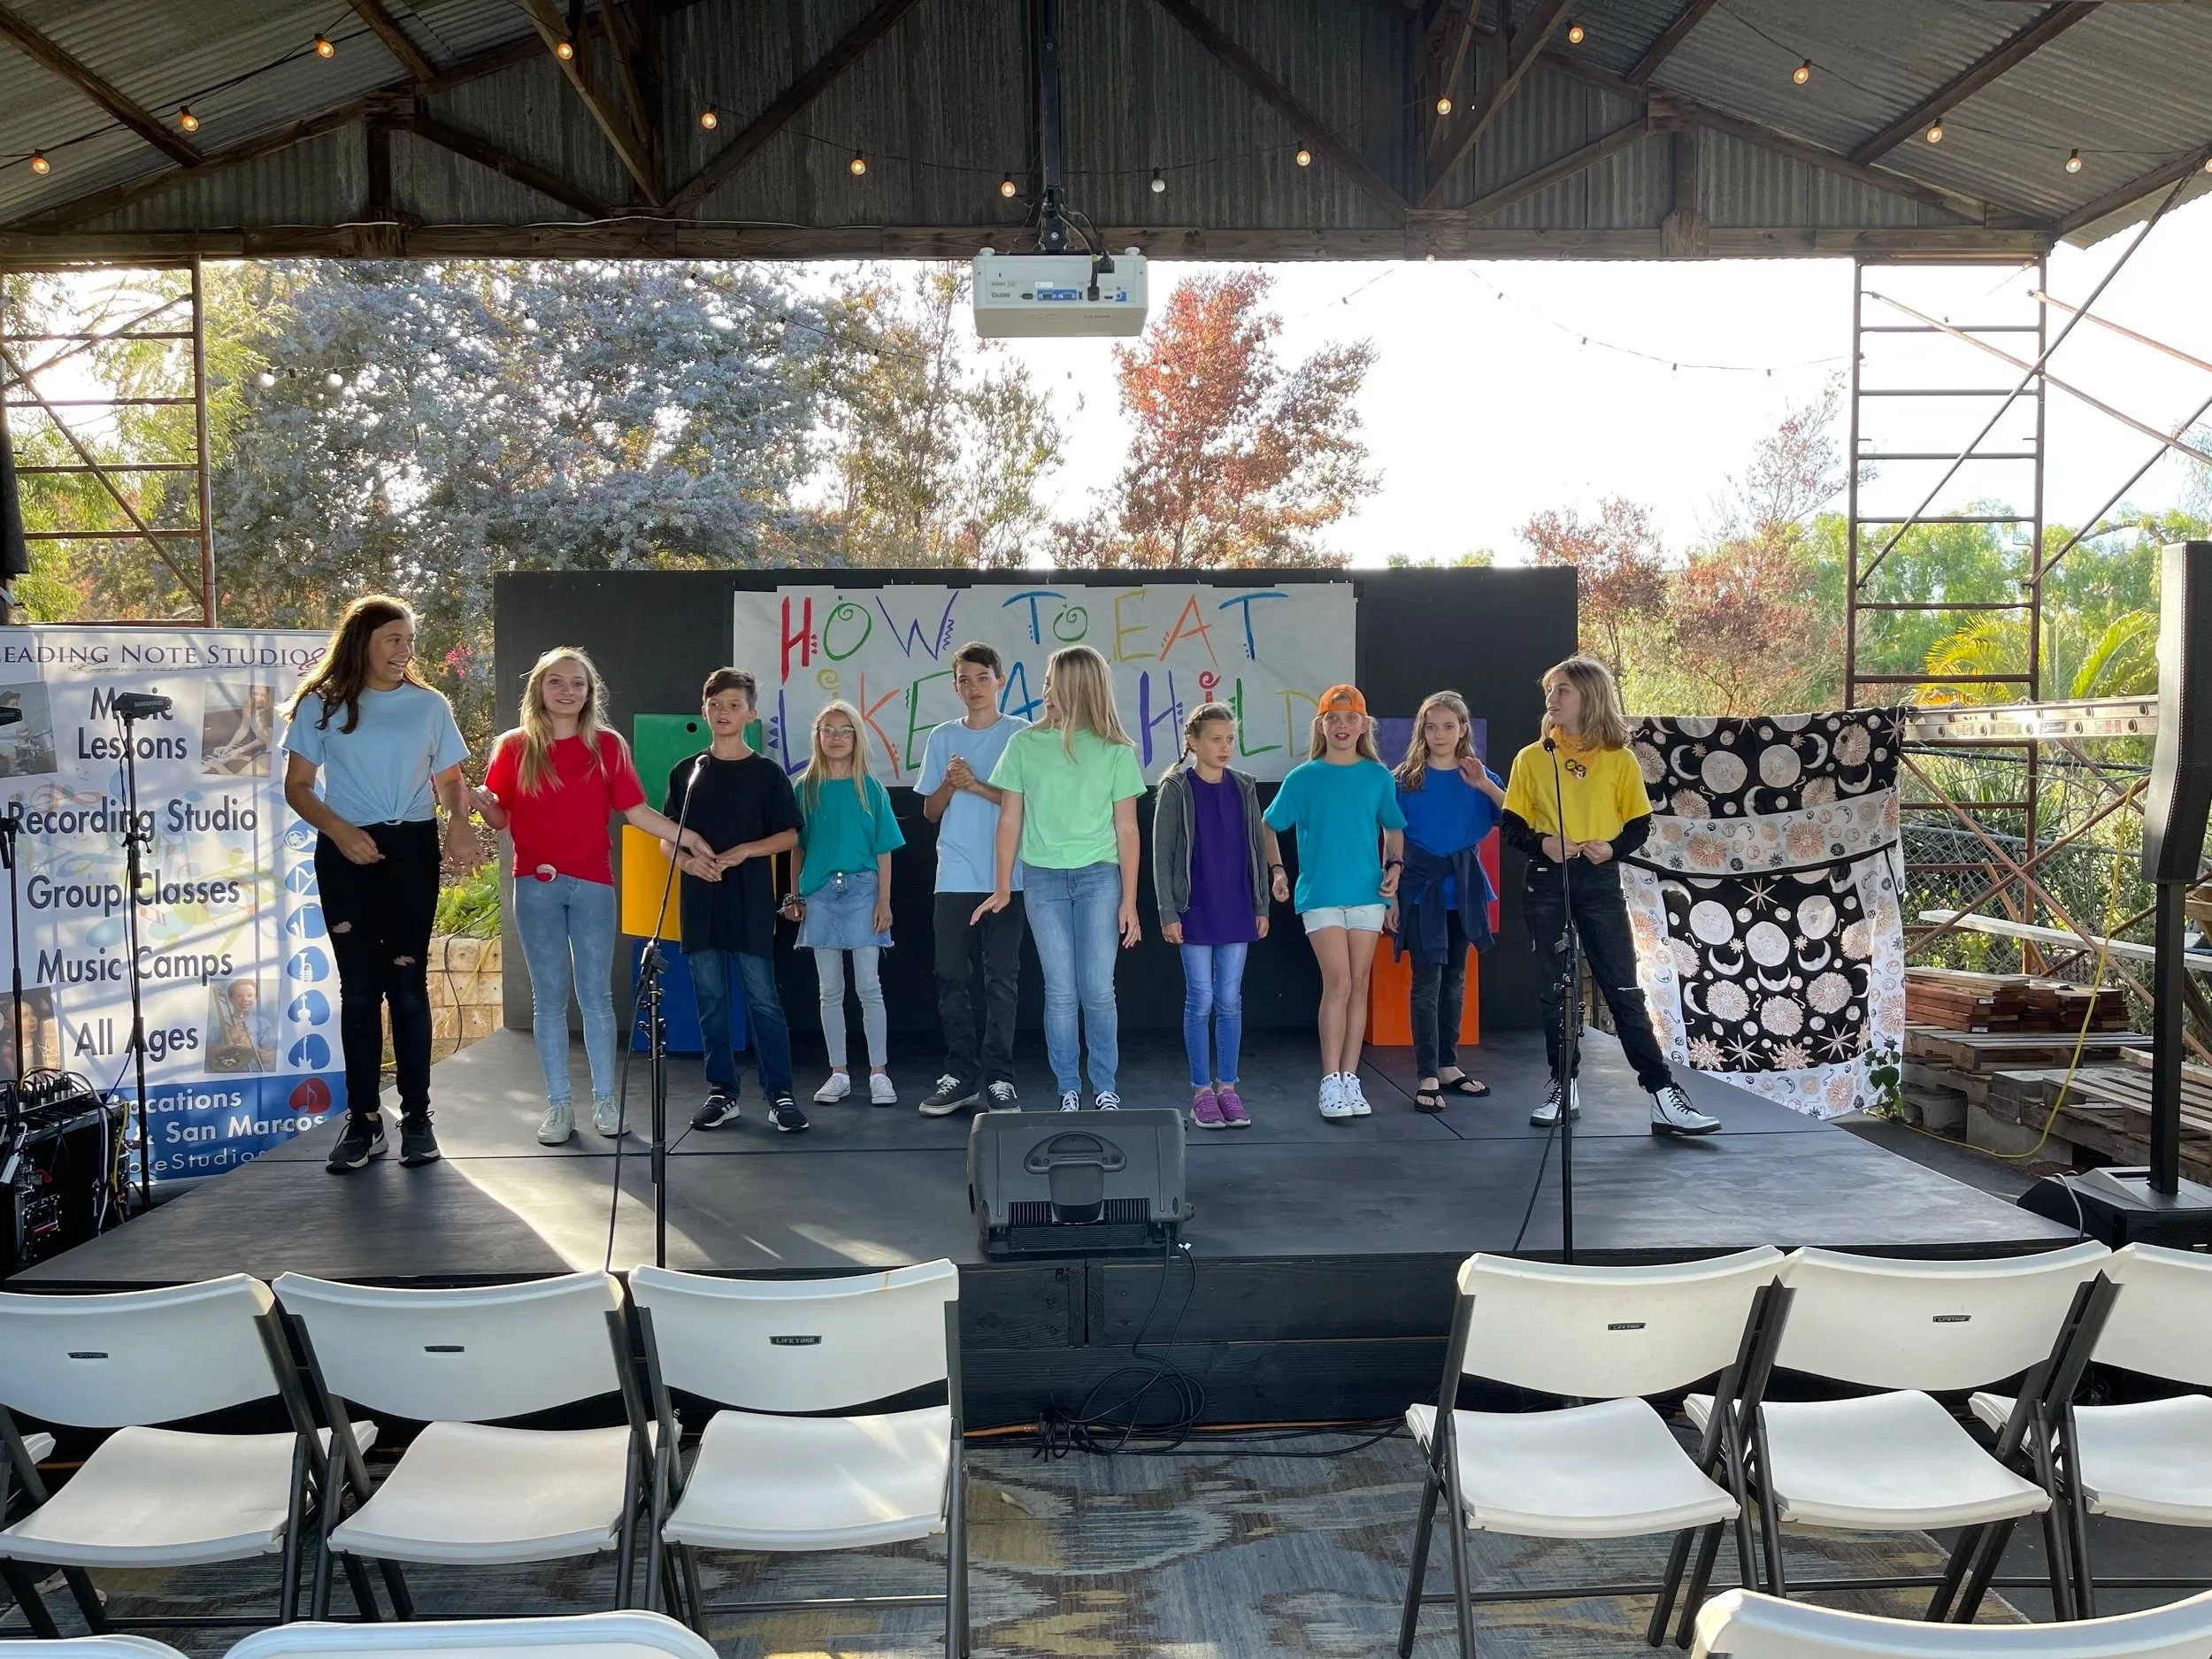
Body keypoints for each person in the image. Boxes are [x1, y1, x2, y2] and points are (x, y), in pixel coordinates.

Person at [471, 648, 711, 1146]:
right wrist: (483, 804)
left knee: (597, 998)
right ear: (539, 688)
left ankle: (605, 1101)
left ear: (589, 691)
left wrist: (687, 836)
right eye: (556, 682)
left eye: (576, 683)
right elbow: (501, 820)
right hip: (534, 886)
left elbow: (636, 811)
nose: (566, 691)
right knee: (549, 999)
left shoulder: (608, 745)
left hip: (593, 885)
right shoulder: (513, 747)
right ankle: (559, 1106)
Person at [280, 595, 473, 1174]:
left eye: (410, 640)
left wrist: (460, 823)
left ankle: (416, 1117)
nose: (405, 649)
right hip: (346, 851)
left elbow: (451, 779)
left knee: (408, 986)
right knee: (360, 990)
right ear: (363, 639)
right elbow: (299, 786)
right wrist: (340, 831)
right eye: (394, 638)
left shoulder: (429, 705)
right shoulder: (321, 705)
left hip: (411, 846)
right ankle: (363, 1120)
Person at [1500, 655, 1720, 1136]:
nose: (1551, 699)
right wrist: (1544, 843)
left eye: (1563, 691)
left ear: (1589, 697)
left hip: (1599, 882)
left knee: (1622, 988)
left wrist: (1612, 848)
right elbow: (1511, 825)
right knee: (1555, 990)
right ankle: (1564, 1085)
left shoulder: (1619, 759)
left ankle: (1663, 1094)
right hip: (1546, 881)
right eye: (1550, 690)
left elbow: (1639, 824)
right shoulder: (1533, 757)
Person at [974, 644, 1145, 1113]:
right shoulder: (1024, 744)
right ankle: (1068, 1087)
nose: (1046, 690)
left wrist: (1129, 900)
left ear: (1079, 688)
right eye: (1046, 681)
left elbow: (1127, 828)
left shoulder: (1114, 750)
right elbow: (1009, 820)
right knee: (1062, 991)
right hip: (1044, 880)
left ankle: (1105, 1086)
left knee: (1098, 989)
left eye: (1054, 681)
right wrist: (1003, 885)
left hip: (1099, 878)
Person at [662, 668, 806, 1133]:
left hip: (749, 901)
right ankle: (722, 1092)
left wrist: (745, 850)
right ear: (704, 710)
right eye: (715, 704)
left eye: (733, 704)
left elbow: (788, 835)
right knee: (710, 999)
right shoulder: (688, 770)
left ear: (751, 712)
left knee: (763, 1000)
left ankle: (779, 1094)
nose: (723, 712)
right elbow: (668, 839)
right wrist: (687, 863)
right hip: (699, 901)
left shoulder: (766, 773)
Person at [1263, 684, 1405, 1122]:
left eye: (1350, 718)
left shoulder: (1378, 776)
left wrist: (1394, 869)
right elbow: (1269, 826)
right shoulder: (1303, 778)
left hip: (1367, 894)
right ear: (1321, 725)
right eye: (1333, 717)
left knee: (1359, 983)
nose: (1342, 725)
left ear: (1364, 725)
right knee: (1339, 982)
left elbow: (1393, 829)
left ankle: (1349, 1077)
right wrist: (1278, 870)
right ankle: (1329, 1079)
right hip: (1321, 893)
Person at [1153, 702, 1288, 1130]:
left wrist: (1260, 905)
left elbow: (1255, 844)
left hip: (1236, 907)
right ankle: (1200, 1092)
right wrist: (1167, 912)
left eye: (1230, 739)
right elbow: (1163, 855)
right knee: (1201, 999)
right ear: (1192, 742)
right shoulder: (1176, 788)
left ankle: (1228, 1088)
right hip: (1195, 909)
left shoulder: (1244, 786)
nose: (1225, 747)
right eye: (1216, 739)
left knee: (1230, 1000)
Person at [914, 643, 1028, 1117]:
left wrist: (976, 783)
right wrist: (949, 781)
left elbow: (1025, 805)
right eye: (964, 679)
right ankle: (960, 1073)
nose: (973, 687)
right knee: (949, 974)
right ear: (955, 685)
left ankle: (1000, 1077)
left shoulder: (1021, 735)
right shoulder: (941, 736)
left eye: (982, 677)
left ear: (1000, 681)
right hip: (955, 874)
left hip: (1009, 876)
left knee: (1002, 978)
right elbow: (930, 810)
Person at [782, 701, 905, 1107]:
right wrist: (795, 894)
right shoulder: (803, 788)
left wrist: (884, 900)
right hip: (819, 893)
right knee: (829, 989)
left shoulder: (869, 787)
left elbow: (884, 849)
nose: (836, 737)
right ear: (817, 737)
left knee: (870, 986)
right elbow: (796, 849)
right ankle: (838, 1072)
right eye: (828, 730)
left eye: (845, 730)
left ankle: (878, 1073)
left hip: (863, 890)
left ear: (857, 737)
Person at [1390, 690, 1504, 1114]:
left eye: (1448, 726)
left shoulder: (1476, 773)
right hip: (1422, 889)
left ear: (1462, 730)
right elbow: (1392, 834)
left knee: (1455, 977)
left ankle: (1449, 1064)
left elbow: (1517, 815)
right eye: (1431, 726)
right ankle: (1427, 1073)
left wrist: (1483, 784)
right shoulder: (1404, 778)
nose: (1439, 734)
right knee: (1426, 981)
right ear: (1422, 730)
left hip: (1465, 890)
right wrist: (1392, 895)